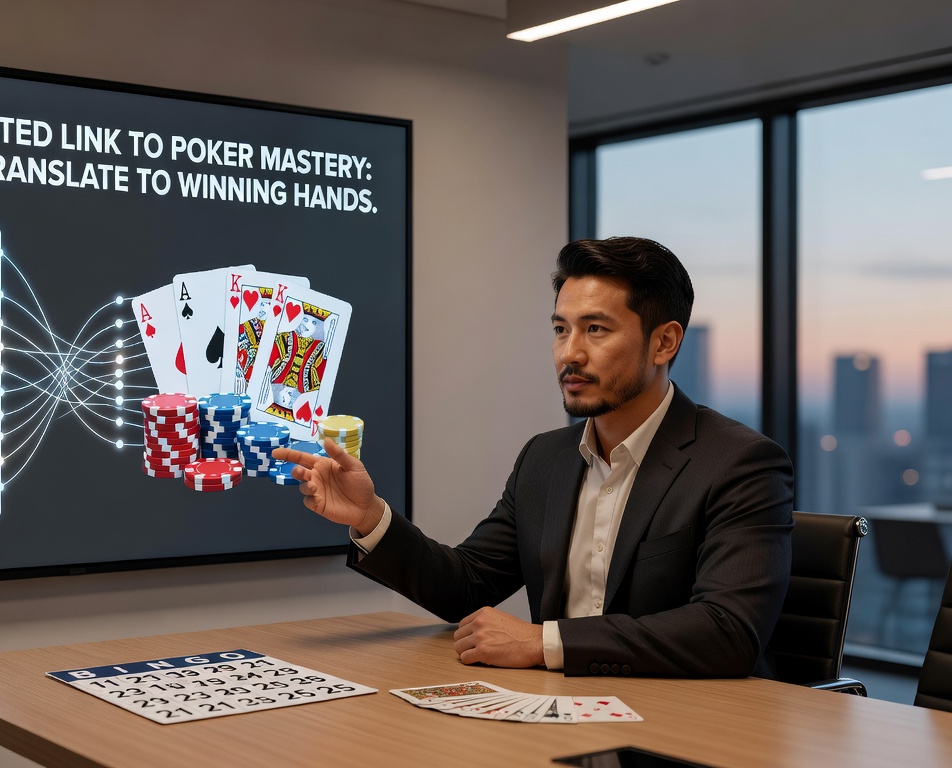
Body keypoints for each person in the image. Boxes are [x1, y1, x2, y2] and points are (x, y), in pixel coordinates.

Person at [274, 237, 793, 678]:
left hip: (688, 725)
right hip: (556, 711)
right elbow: (468, 586)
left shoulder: (739, 463)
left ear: (664, 343)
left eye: (596, 329)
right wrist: (369, 516)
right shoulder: (545, 458)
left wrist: (543, 643)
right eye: (560, 329)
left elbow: (727, 630)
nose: (570, 353)